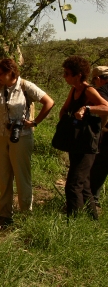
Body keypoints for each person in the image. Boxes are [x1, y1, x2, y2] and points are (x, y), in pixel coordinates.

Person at [0, 58, 54, 228]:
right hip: (1, 135)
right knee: (4, 176)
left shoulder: (25, 86)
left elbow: (49, 102)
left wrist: (35, 122)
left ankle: (25, 216)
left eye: (1, 74)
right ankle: (5, 215)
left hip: (21, 136)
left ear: (11, 72)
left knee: (22, 176)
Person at [61, 56, 108, 219]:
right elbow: (65, 108)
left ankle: (74, 222)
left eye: (67, 73)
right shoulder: (74, 90)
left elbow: (106, 107)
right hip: (76, 141)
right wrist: (64, 122)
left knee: (73, 185)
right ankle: (92, 219)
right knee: (85, 184)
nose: (65, 76)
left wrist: (87, 108)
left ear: (78, 75)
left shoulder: (89, 90)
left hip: (88, 144)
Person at [90, 66, 108, 207]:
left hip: (106, 135)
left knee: (99, 165)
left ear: (98, 78)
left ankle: (92, 199)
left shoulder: (102, 91)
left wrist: (101, 129)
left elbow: (104, 110)